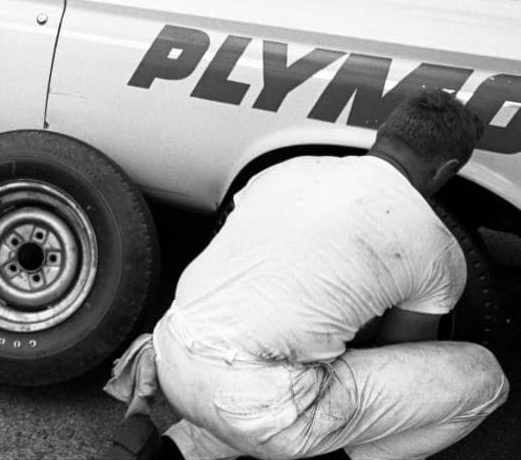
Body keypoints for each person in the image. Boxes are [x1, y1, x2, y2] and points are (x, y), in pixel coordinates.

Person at [100, 89, 508, 460]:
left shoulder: (288, 169)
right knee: (484, 377)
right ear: (446, 170)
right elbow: (399, 352)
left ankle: (176, 452)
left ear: (381, 134)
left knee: (266, 374)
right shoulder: (435, 244)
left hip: (173, 358)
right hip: (257, 405)